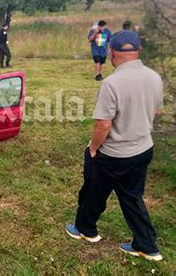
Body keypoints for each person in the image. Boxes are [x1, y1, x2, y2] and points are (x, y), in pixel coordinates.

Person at [66, 30, 164, 262]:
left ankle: (86, 230)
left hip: (114, 154)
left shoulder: (111, 83)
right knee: (132, 196)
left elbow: (103, 125)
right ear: (139, 50)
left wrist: (93, 149)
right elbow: (157, 111)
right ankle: (147, 245)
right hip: (142, 149)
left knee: (94, 191)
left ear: (111, 53)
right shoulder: (154, 77)